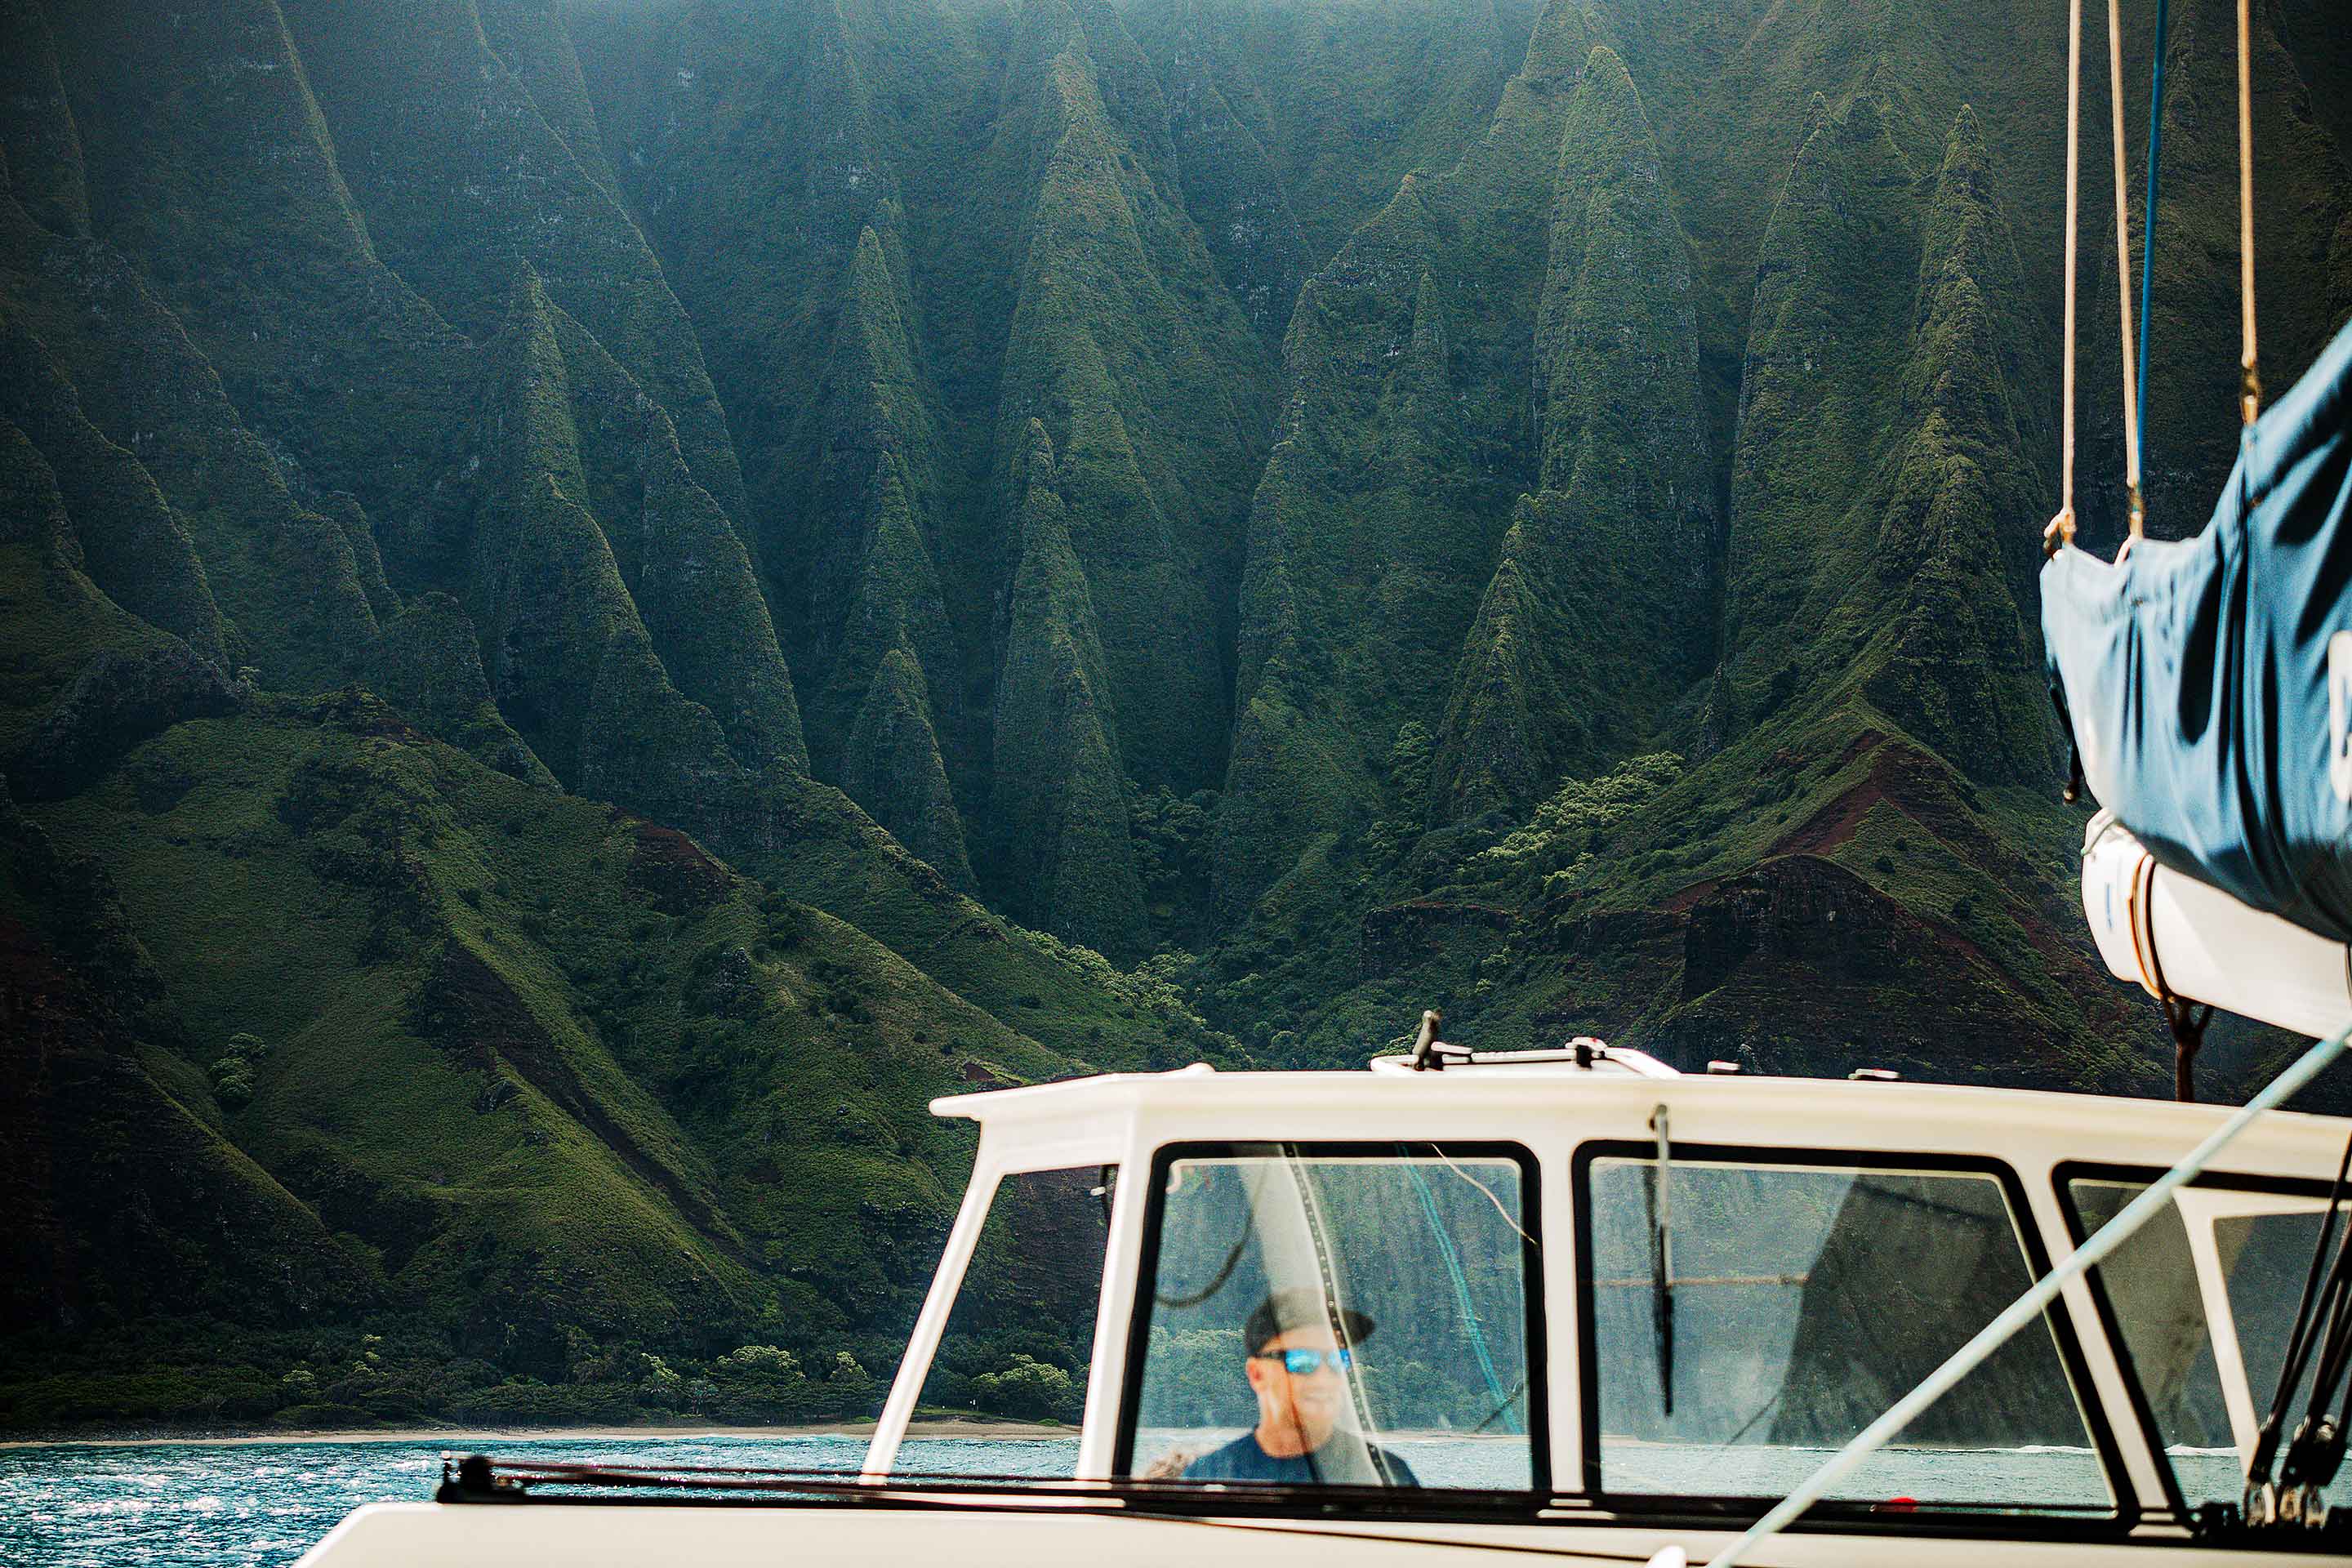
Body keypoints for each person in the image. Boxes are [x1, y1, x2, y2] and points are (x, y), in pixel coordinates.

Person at [1180, 1287, 1420, 1486]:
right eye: (1303, 1361)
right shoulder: (1208, 1478)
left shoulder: (1388, 1477)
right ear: (1257, 1374)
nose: (1324, 1377)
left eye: (1338, 1361)